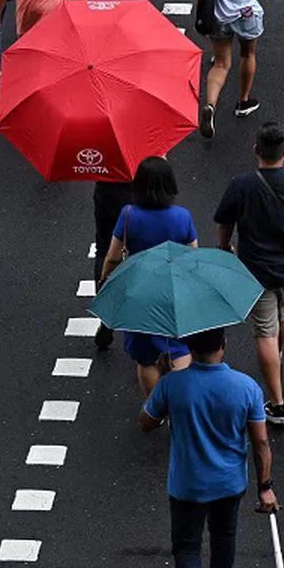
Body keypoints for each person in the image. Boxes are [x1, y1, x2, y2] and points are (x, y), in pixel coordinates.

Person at [139, 327, 279, 568]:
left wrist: (163, 383)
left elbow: (146, 423)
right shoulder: (247, 387)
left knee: (187, 548)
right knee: (224, 538)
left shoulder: (172, 384)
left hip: (187, 485)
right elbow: (261, 443)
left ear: (190, 348)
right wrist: (265, 486)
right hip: (229, 483)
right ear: (223, 345)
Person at [214, 122, 284, 426]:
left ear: (256, 150)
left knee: (265, 331)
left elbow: (224, 223)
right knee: (283, 312)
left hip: (257, 275)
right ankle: (278, 355)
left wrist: (224, 247)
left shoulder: (241, 185)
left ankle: (277, 404)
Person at [99, 157, 199, 399]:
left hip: (139, 291)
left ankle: (154, 407)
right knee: (179, 346)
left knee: (146, 357)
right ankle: (179, 402)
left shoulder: (128, 215)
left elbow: (113, 257)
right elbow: (192, 256)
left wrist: (104, 280)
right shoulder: (182, 217)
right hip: (172, 289)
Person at [194, 0, 275, 138]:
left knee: (220, 64)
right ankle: (243, 102)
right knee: (248, 55)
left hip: (218, 16)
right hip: (247, 15)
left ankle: (210, 105)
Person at [92, 180, 133, 349]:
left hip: (106, 193)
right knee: (141, 253)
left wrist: (104, 276)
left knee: (104, 250)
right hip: (136, 194)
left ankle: (105, 314)